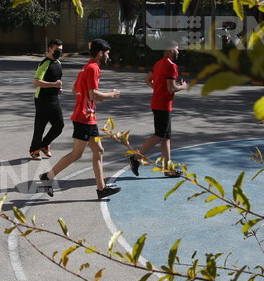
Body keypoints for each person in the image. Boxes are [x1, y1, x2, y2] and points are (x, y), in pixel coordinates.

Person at [39, 39, 122, 199]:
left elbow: (75, 89)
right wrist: (111, 95)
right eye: (107, 53)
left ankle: (101, 188)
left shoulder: (86, 67)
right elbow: (93, 94)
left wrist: (90, 96)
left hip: (89, 117)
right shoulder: (93, 68)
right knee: (77, 154)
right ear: (100, 53)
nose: (108, 57)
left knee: (99, 151)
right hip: (84, 118)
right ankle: (47, 177)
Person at [129, 44, 189, 178]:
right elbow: (171, 88)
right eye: (177, 48)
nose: (178, 51)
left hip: (157, 102)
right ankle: (136, 158)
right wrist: (182, 87)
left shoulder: (157, 64)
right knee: (160, 135)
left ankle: (168, 168)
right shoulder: (171, 66)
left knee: (166, 137)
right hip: (163, 104)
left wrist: (157, 89)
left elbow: (147, 79)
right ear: (170, 50)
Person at [29, 39, 65, 160]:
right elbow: (36, 81)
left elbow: (57, 79)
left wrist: (59, 87)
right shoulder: (45, 63)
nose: (59, 52)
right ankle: (34, 150)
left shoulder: (58, 63)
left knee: (59, 125)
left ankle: (44, 145)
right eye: (57, 50)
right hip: (42, 99)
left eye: (61, 50)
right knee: (40, 126)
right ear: (50, 49)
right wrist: (54, 85)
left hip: (54, 99)